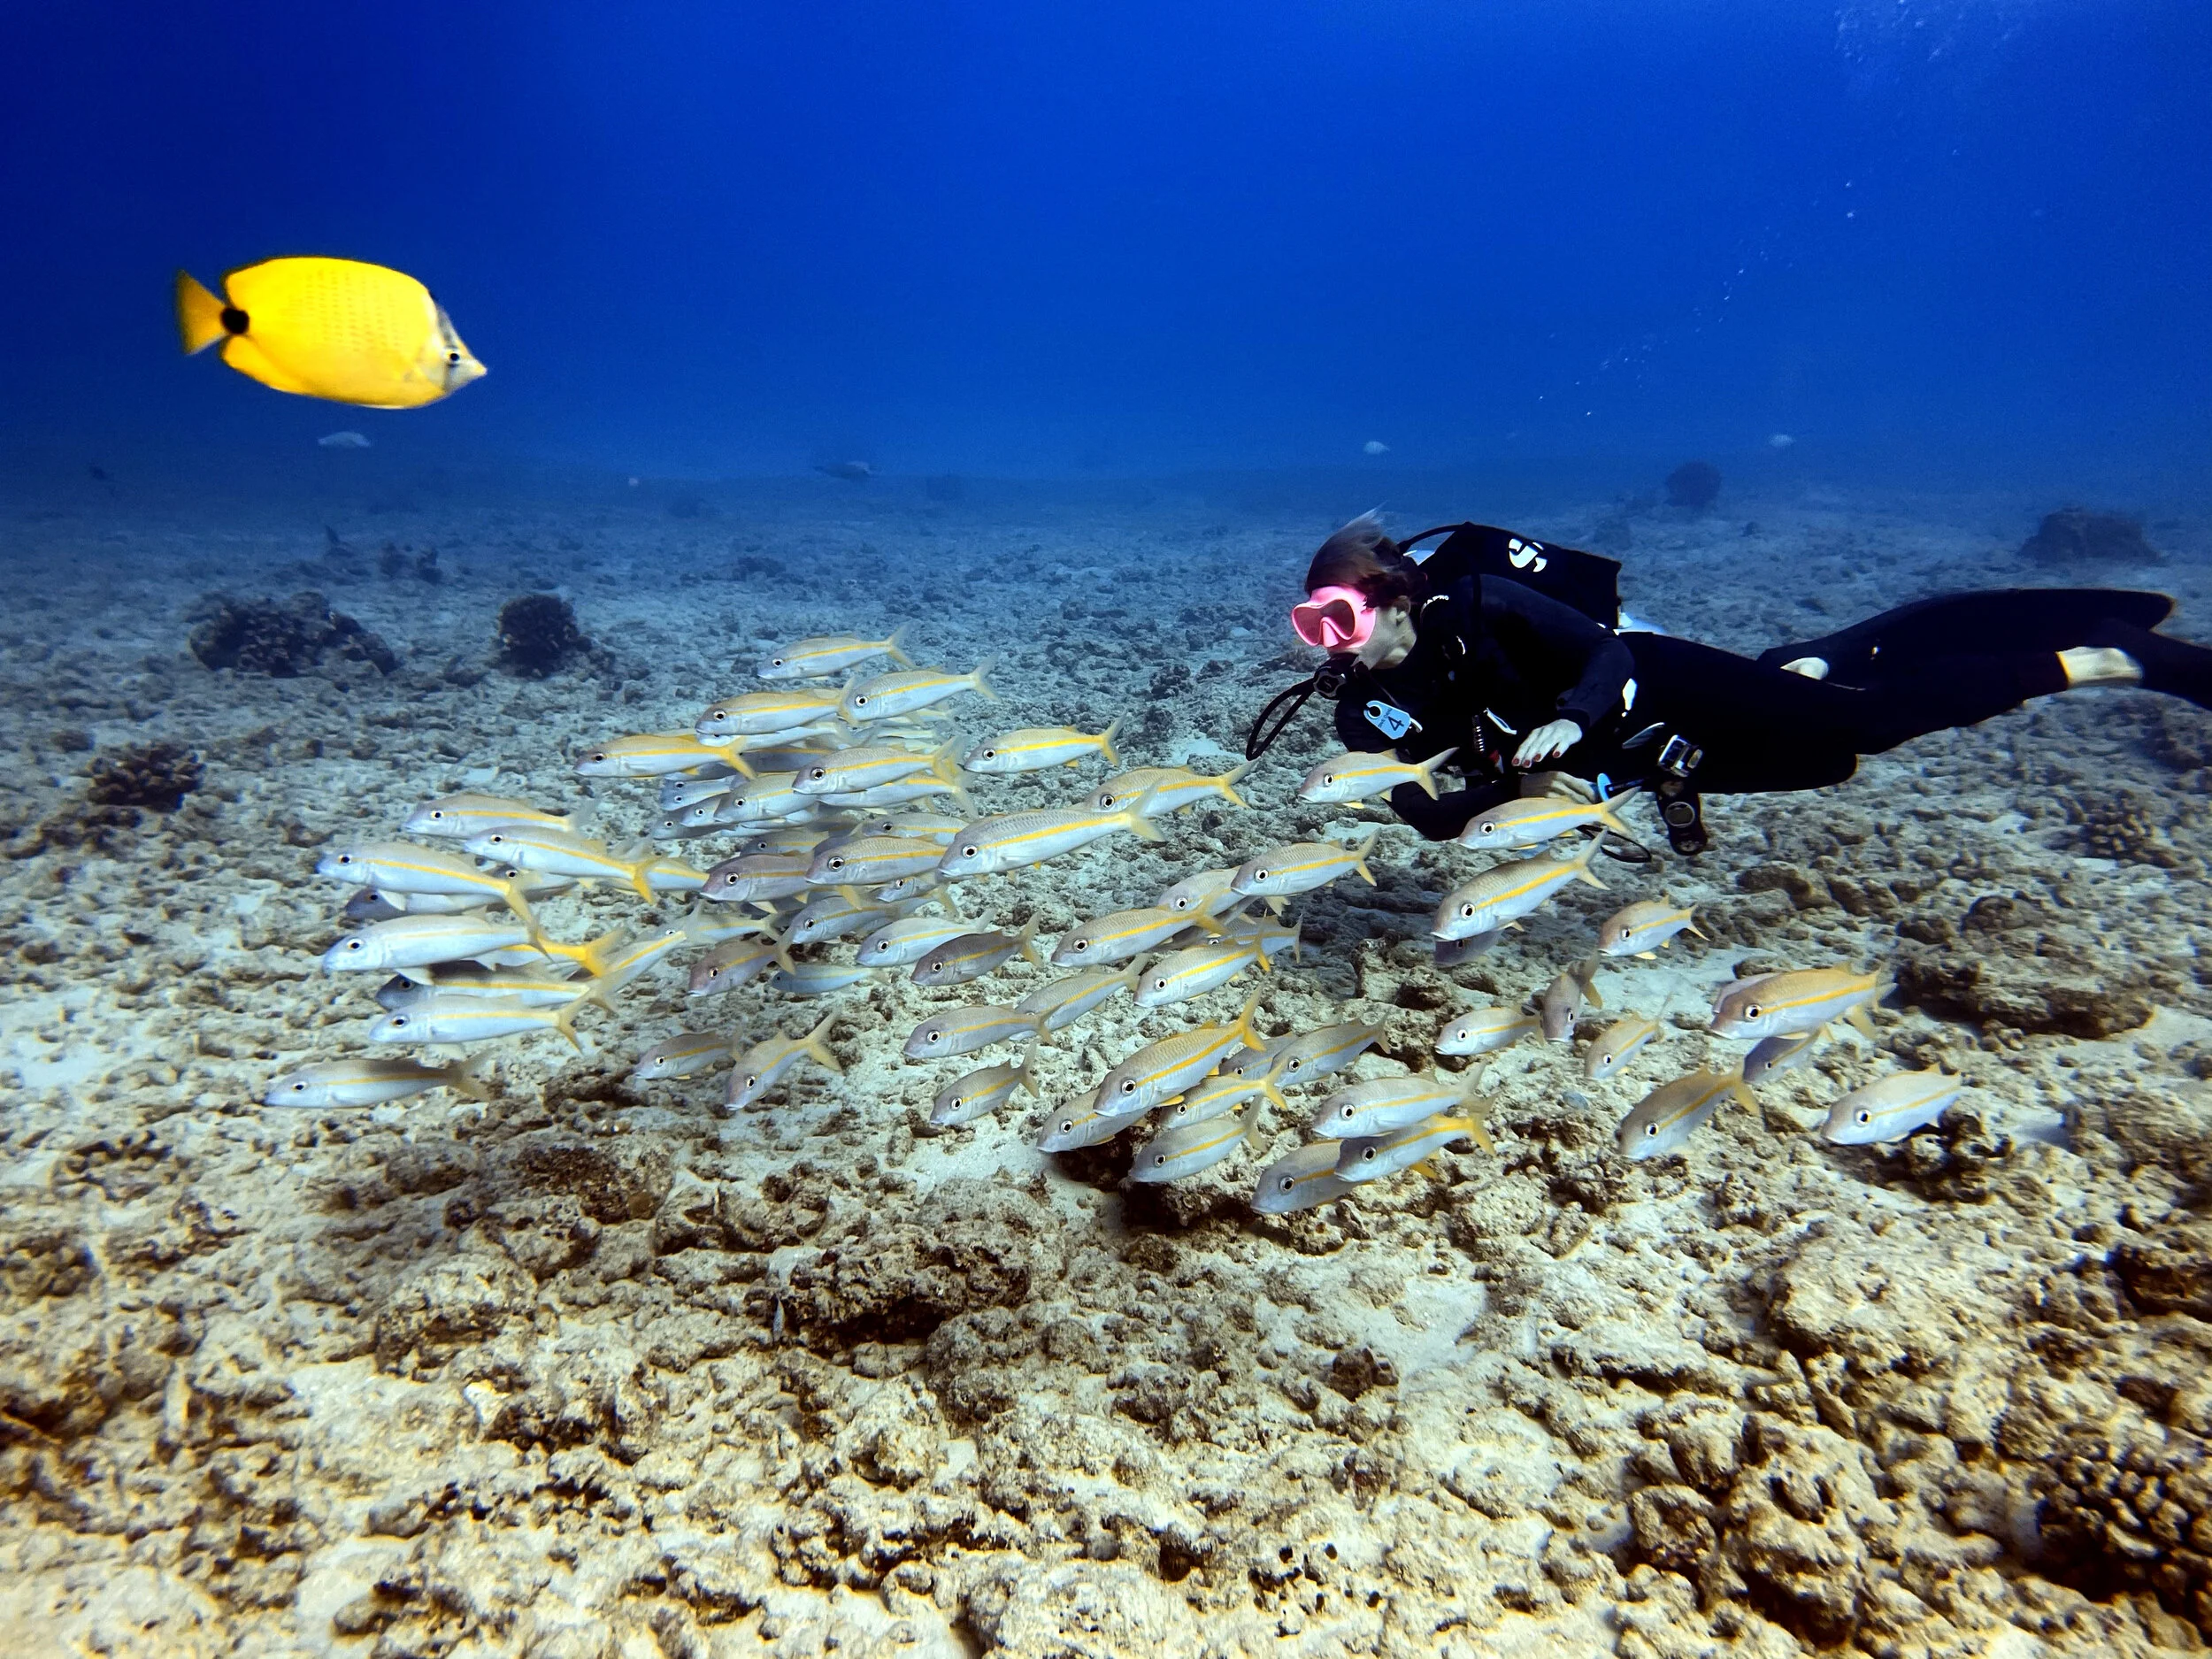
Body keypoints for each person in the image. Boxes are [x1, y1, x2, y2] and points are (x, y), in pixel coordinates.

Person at [1280, 514, 2212, 851]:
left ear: (1396, 601)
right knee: (1824, 762)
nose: (1329, 644)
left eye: (1340, 618)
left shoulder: (1484, 602)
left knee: (1864, 727)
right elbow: (1427, 812)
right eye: (1310, 625)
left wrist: (1568, 723)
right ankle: (1806, 662)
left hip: (1657, 684)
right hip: (1643, 759)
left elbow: (1609, 656)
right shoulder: (1362, 714)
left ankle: (2104, 659)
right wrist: (1513, 797)